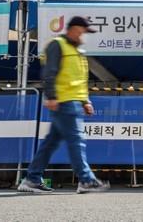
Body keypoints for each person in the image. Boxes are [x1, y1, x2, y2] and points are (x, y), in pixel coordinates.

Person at [18, 16, 110, 194]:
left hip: (72, 101)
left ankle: (31, 179)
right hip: (63, 101)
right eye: (83, 30)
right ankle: (86, 180)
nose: (84, 35)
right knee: (76, 141)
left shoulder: (77, 51)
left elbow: (79, 79)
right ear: (75, 28)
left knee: (50, 143)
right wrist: (51, 96)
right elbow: (49, 72)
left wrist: (85, 100)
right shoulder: (57, 45)